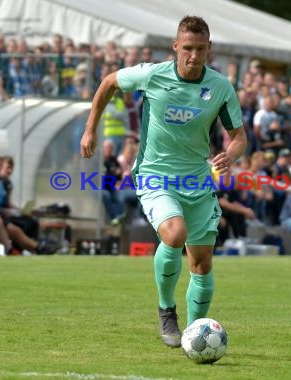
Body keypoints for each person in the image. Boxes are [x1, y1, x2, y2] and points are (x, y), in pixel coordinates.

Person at [80, 16, 246, 348]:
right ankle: (166, 310)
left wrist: (231, 154)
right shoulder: (153, 75)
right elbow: (110, 81)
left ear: (209, 48)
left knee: (201, 262)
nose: (194, 56)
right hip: (156, 175)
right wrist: (90, 128)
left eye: (200, 49)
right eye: (187, 48)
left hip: (197, 180)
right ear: (175, 47)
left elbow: (239, 136)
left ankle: (197, 330)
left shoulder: (220, 87)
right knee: (174, 233)